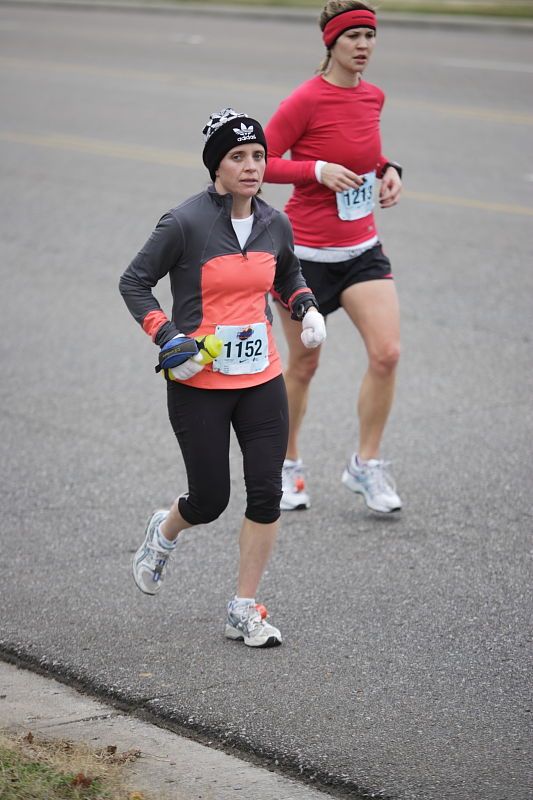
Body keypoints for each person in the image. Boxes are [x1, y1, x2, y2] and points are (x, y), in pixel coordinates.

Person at [119, 108, 326, 648]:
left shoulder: (273, 222)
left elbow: (288, 273)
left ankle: (243, 608)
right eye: (238, 157)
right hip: (199, 383)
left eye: (258, 155)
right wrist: (167, 336)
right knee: (209, 500)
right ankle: (163, 534)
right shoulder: (184, 222)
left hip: (261, 379)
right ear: (217, 166)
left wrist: (306, 308)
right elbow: (134, 282)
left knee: (266, 494)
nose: (252, 166)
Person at [263, 0, 403, 515]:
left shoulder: (373, 97)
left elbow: (366, 152)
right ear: (332, 43)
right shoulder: (305, 99)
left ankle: (365, 465)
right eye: (353, 37)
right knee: (304, 364)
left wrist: (389, 170)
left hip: (362, 249)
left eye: (370, 36)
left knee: (387, 354)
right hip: (304, 257)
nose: (364, 46)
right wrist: (316, 171)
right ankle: (286, 465)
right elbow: (264, 162)